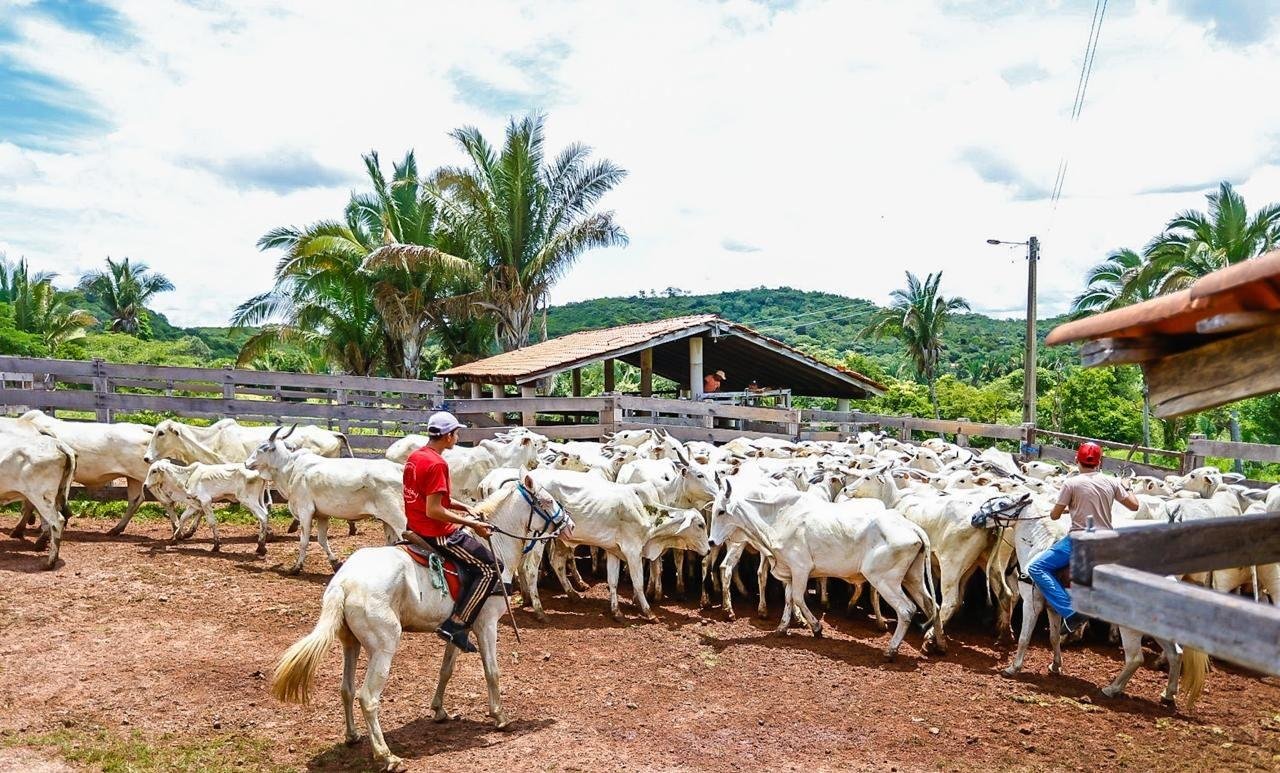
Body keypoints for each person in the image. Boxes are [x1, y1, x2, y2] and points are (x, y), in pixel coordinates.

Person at [402, 411, 500, 653]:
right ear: (447, 437)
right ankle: (456, 624)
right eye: (456, 433)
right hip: (436, 533)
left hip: (414, 526)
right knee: (490, 568)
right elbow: (434, 510)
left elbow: (433, 498)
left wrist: (465, 506)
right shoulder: (437, 464)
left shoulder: (416, 457)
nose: (458, 437)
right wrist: (473, 524)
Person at [1026, 442, 1139, 635]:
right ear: (1099, 462)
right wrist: (1126, 487)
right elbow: (1134, 506)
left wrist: (1067, 507)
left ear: (1076, 460)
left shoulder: (1071, 483)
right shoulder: (1112, 482)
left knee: (1036, 567)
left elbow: (1054, 516)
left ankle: (1071, 612)